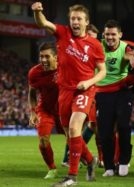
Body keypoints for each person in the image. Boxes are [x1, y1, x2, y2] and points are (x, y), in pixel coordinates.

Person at [32, 2, 106, 186]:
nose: (75, 21)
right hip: (64, 92)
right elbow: (43, 23)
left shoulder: (95, 44)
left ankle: (71, 177)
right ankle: (90, 160)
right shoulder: (63, 33)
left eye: (79, 19)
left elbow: (102, 71)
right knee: (70, 134)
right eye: (72, 18)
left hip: (84, 90)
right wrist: (37, 11)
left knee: (74, 128)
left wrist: (88, 82)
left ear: (86, 22)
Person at [61, 23, 104, 168]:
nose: (92, 41)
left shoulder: (97, 47)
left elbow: (103, 71)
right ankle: (77, 157)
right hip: (70, 90)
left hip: (90, 91)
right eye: (91, 37)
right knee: (71, 131)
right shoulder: (71, 45)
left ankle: (97, 159)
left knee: (88, 125)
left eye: (95, 38)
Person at [96, 19, 134, 177]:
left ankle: (124, 161)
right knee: (104, 132)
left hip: (121, 91)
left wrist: (133, 61)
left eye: (113, 34)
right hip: (102, 92)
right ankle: (109, 167)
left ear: (120, 34)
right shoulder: (98, 46)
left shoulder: (127, 48)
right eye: (107, 35)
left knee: (124, 126)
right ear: (103, 35)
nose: (110, 38)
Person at [28, 42, 61, 179]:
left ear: (56, 57)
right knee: (43, 140)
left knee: (74, 139)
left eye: (47, 57)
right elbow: (32, 93)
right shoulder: (35, 72)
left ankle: (89, 159)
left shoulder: (65, 68)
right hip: (45, 109)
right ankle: (52, 168)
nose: (43, 60)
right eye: (41, 56)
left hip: (64, 109)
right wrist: (33, 112)